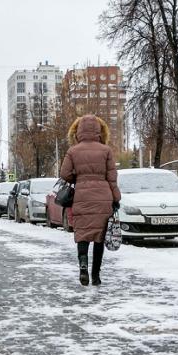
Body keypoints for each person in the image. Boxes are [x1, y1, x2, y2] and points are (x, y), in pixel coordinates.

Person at [59, 114, 121, 286]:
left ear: (78, 131)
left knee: (83, 235)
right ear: (99, 131)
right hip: (103, 198)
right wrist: (116, 198)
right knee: (99, 238)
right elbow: (112, 178)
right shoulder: (106, 150)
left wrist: (77, 178)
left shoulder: (73, 151)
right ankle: (96, 275)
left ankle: (83, 267)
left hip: (81, 198)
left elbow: (64, 174)